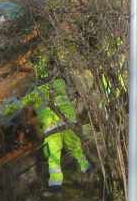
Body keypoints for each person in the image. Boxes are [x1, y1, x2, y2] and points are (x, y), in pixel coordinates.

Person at [12, 62, 90, 193]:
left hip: (52, 131)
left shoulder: (35, 94)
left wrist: (1, 110)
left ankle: (55, 184)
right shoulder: (59, 84)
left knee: (53, 157)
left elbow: (20, 105)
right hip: (67, 125)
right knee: (76, 148)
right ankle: (87, 168)